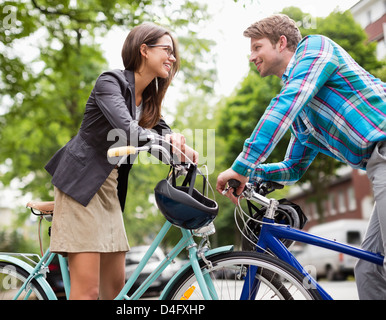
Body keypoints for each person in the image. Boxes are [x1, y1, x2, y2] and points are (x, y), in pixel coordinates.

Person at [216, 14, 386, 299]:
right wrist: (251, 175)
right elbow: (293, 168)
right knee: (368, 269)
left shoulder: (316, 49)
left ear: (281, 43)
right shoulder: (305, 110)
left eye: (257, 47)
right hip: (377, 163)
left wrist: (242, 165)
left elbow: (286, 104)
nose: (251, 57)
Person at [45, 23, 198, 300]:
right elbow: (128, 131)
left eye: (173, 53)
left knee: (115, 294)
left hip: (110, 193)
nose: (172, 58)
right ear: (144, 50)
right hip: (81, 189)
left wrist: (182, 151)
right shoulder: (110, 82)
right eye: (167, 50)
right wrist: (163, 140)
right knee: (87, 294)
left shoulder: (148, 100)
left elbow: (161, 136)